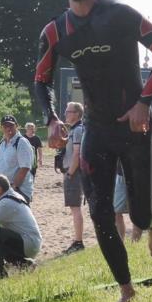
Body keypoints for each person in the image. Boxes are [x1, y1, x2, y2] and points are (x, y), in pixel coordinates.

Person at [34, 0, 152, 302]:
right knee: (99, 211)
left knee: (140, 211)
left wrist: (144, 103)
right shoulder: (55, 30)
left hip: (135, 125)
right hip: (96, 128)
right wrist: (51, 118)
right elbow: (41, 80)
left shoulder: (121, 15)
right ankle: (126, 289)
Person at [0, 174, 42, 277]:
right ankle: (25, 264)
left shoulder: (6, 203)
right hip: (31, 243)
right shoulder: (11, 196)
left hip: (28, 243)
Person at [61, 102, 86, 254]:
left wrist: (70, 173)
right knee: (74, 208)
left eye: (68, 111)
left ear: (77, 113)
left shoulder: (78, 130)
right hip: (73, 171)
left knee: (75, 208)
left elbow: (77, 153)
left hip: (74, 173)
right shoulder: (75, 129)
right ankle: (77, 240)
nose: (66, 114)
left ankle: (78, 241)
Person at [0, 114, 35, 202]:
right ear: (1, 128)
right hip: (3, 191)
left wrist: (13, 187)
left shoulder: (21, 142)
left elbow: (25, 168)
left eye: (11, 126)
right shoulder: (2, 143)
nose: (8, 128)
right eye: (5, 126)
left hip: (17, 191)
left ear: (17, 126)